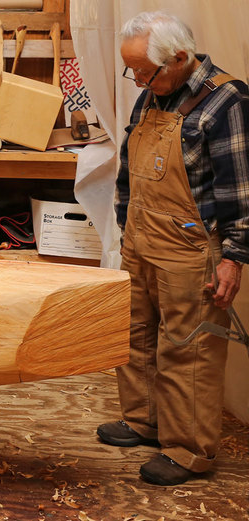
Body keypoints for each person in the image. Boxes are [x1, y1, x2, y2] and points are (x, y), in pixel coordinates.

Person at [97, 11, 249, 486]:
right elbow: (129, 172)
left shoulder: (227, 101)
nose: (139, 81)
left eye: (147, 72)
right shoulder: (153, 93)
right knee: (135, 335)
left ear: (180, 58)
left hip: (189, 250)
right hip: (141, 240)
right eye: (134, 71)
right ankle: (143, 421)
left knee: (189, 348)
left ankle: (188, 450)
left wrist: (235, 257)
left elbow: (241, 189)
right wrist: (125, 228)